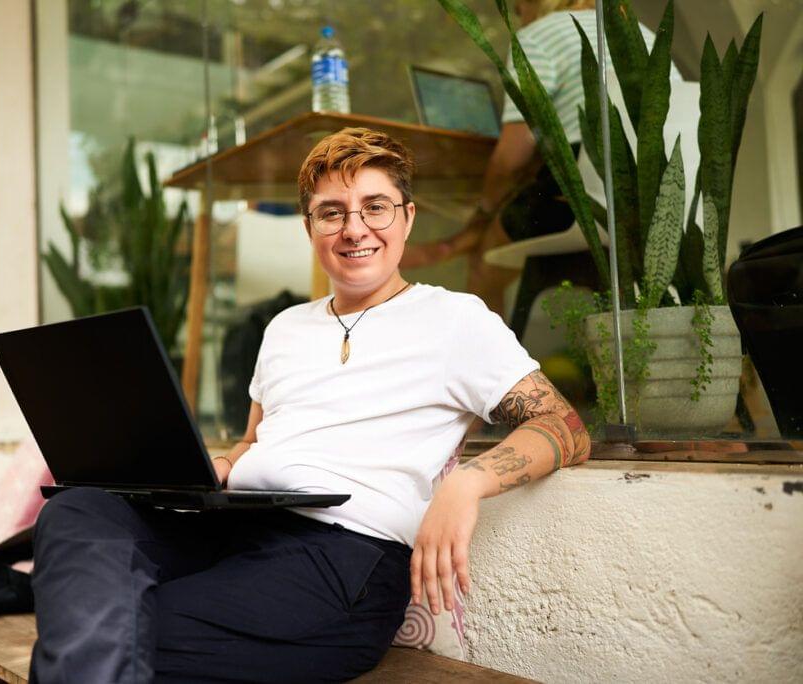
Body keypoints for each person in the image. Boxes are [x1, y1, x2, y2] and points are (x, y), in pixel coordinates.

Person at [29, 127, 591, 683]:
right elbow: (256, 439)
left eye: (376, 207)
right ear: (310, 227)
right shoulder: (284, 328)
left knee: (117, 630)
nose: (355, 229)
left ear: (408, 218)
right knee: (79, 509)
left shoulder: (455, 319)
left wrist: (467, 483)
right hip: (235, 530)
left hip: (341, 562)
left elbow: (565, 425)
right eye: (332, 212)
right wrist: (220, 465)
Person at [402, 0, 679, 316]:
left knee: (484, 259)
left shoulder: (539, 35)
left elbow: (512, 158)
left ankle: (457, 255)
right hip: (652, 200)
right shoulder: (643, 35)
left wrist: (484, 210)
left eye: (518, 9)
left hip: (577, 200)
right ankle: (450, 244)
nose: (519, 18)